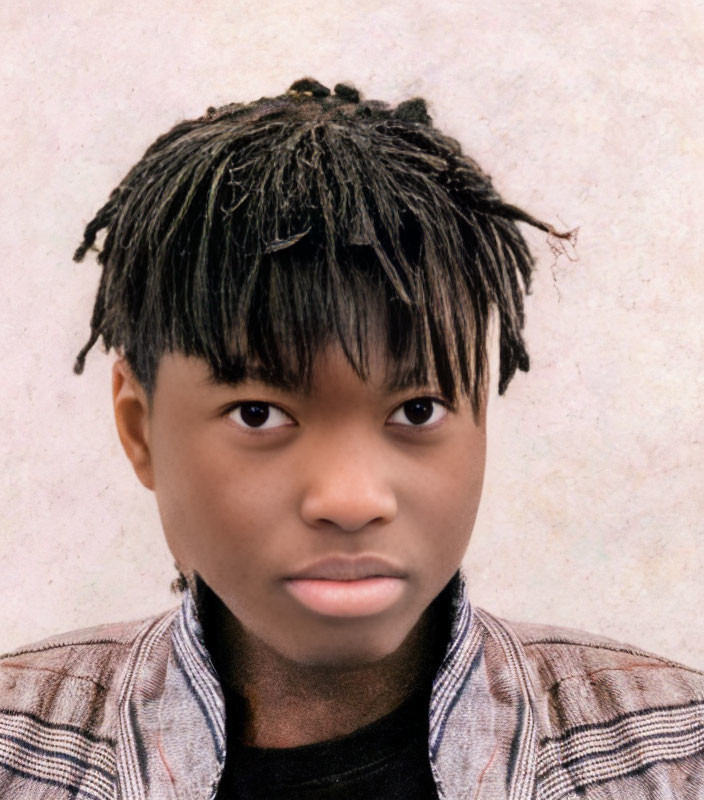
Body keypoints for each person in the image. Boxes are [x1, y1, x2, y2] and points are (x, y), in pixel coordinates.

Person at [1, 77, 702, 800]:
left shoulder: (675, 756)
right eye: (258, 414)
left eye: (419, 410)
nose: (349, 500)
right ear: (139, 429)